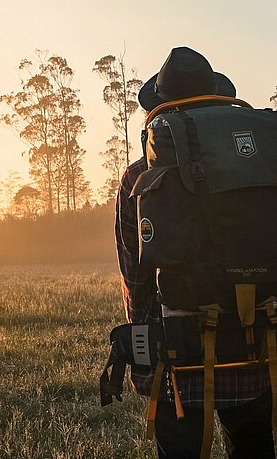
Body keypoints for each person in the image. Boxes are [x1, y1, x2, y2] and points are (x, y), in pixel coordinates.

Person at [116, 46, 274, 459]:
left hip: (178, 355)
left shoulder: (139, 177)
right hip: (258, 344)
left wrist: (143, 354)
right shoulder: (264, 169)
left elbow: (136, 276)